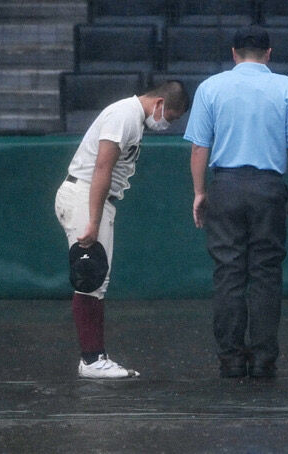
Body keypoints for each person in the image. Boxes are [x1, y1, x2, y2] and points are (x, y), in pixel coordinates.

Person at [184, 26, 288, 379]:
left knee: (228, 273)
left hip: (225, 185)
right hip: (268, 188)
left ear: (233, 53)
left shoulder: (210, 88)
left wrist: (200, 191)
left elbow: (199, 147)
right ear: (269, 53)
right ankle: (263, 358)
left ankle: (230, 358)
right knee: (265, 274)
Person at [55, 81, 189, 379]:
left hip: (93, 198)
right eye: (170, 117)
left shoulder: (132, 118)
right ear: (159, 103)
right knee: (89, 277)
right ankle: (91, 360)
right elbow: (102, 167)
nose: (166, 124)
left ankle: (96, 356)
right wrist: (93, 220)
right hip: (85, 196)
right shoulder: (124, 115)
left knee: (97, 280)